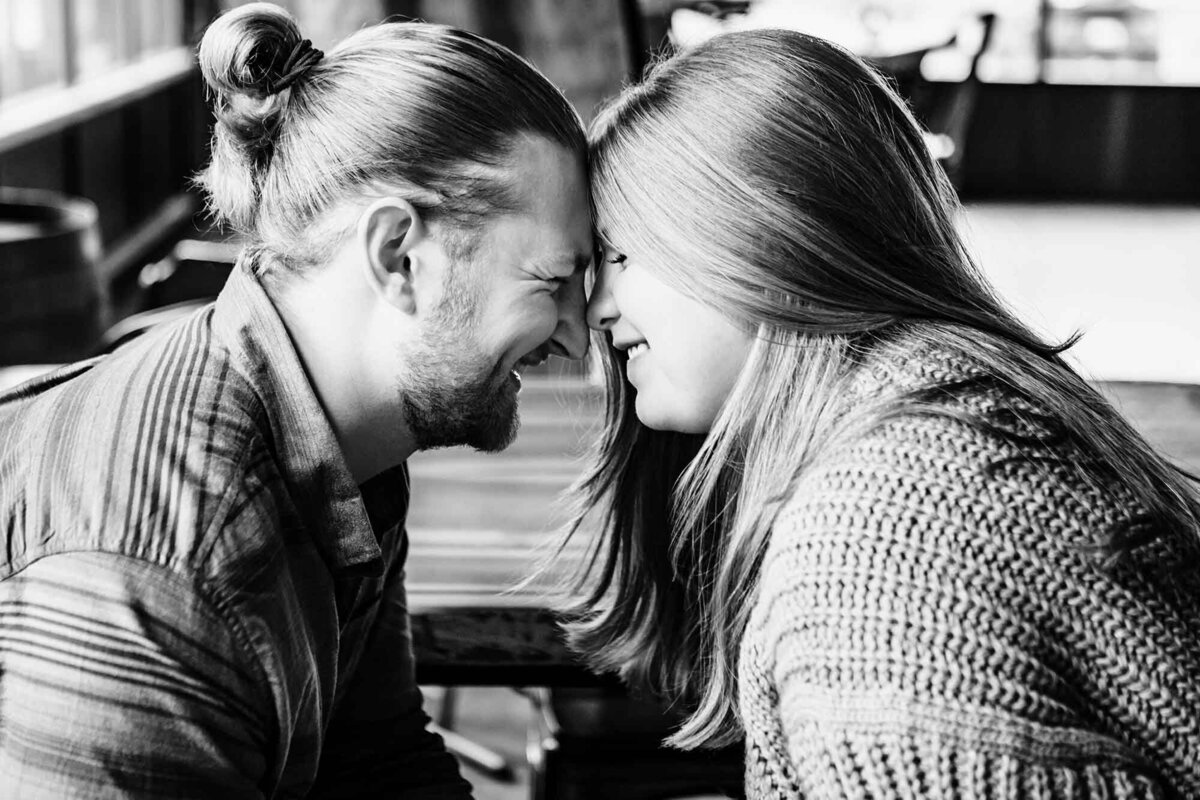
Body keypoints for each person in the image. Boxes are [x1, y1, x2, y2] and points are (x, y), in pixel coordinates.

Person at [562, 28, 1200, 798]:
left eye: (622, 255)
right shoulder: (953, 412)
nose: (596, 307)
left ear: (764, 240)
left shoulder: (881, 541)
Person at [0, 3, 591, 797]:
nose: (579, 339)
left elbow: (377, 761)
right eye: (551, 283)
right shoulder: (164, 573)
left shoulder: (349, 438)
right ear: (399, 256)